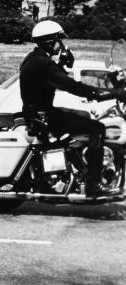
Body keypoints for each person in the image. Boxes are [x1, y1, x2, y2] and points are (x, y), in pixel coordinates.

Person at [19, 20, 124, 196]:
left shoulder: (34, 59)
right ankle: (93, 183)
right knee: (97, 128)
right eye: (60, 41)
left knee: (84, 116)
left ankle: (78, 163)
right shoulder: (44, 64)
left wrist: (61, 64)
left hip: (37, 113)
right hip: (43, 115)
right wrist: (111, 93)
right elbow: (71, 86)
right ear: (51, 42)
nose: (62, 46)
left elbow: (49, 81)